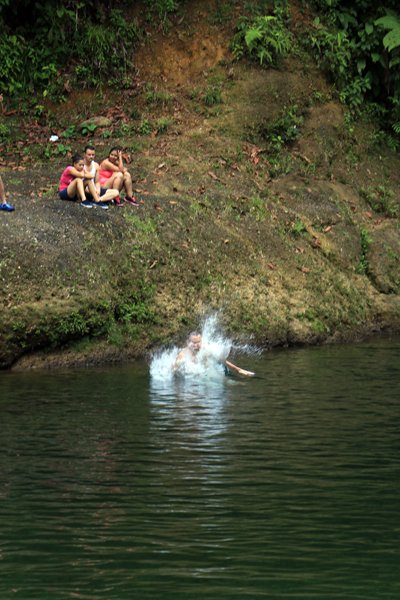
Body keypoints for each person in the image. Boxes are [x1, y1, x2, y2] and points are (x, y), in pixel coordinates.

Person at [174, 331, 255, 376]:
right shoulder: (183, 354)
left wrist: (239, 370)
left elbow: (221, 360)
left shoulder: (205, 350)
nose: (196, 345)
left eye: (198, 342)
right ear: (188, 342)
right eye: (194, 342)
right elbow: (173, 370)